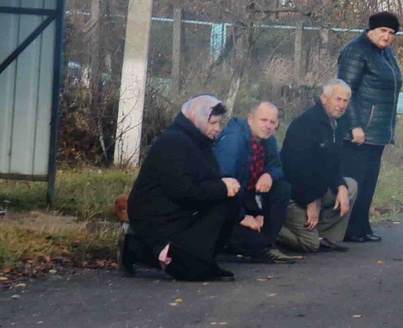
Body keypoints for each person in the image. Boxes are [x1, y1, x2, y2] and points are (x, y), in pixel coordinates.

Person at [121, 94, 242, 282]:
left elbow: (205, 181)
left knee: (229, 202)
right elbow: (183, 190)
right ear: (198, 118)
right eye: (213, 123)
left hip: (179, 213)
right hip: (158, 217)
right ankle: (138, 249)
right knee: (190, 273)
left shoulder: (198, 142)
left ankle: (202, 260)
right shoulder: (172, 142)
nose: (218, 129)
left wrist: (224, 186)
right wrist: (221, 188)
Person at [336, 12, 403, 243]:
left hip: (378, 131)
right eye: (383, 31)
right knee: (355, 180)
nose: (387, 36)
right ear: (371, 29)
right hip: (359, 131)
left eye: (391, 33)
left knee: (369, 181)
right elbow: (346, 91)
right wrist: (354, 125)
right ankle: (346, 229)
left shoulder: (385, 54)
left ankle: (361, 227)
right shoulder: (356, 51)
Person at [281, 79, 359, 253]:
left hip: (316, 190)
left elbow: (333, 164)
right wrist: (311, 201)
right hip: (295, 193)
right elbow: (295, 169)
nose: (341, 105)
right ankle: (270, 227)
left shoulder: (337, 125)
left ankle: (326, 237)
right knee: (309, 244)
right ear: (324, 98)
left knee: (350, 186)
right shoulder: (305, 124)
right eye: (337, 99)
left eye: (345, 101)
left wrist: (340, 186)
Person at [214, 100, 297, 264]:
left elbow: (277, 168)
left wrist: (269, 175)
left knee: (282, 188)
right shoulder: (234, 141)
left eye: (272, 122)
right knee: (252, 242)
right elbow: (221, 186)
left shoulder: (268, 140)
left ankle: (267, 244)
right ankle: (252, 245)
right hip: (227, 207)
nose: (268, 126)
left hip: (250, 199)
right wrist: (242, 217)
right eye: (263, 120)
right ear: (250, 119)